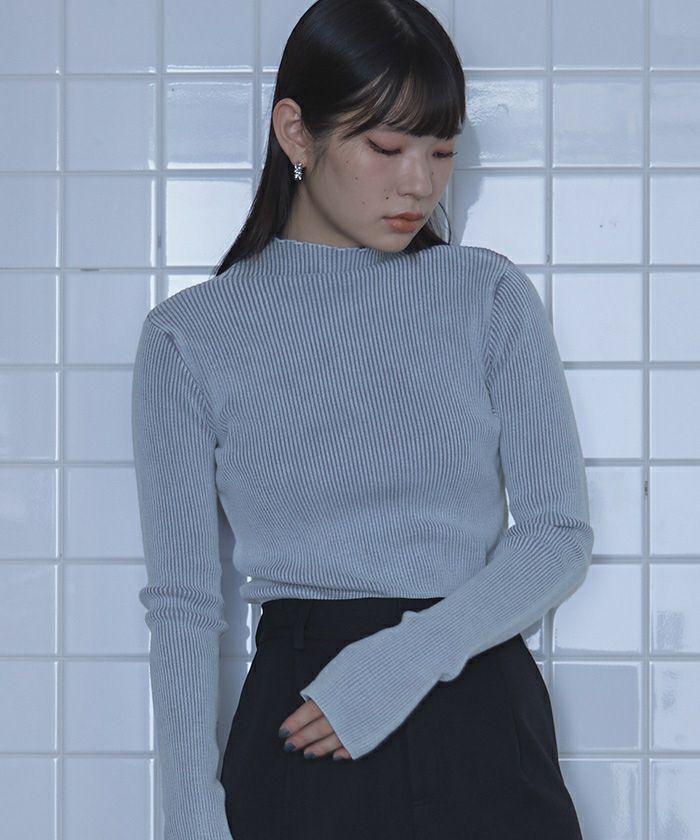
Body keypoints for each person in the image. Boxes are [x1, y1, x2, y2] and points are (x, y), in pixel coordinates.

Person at [131, 0, 594, 838]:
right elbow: (184, 603)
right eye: (385, 147)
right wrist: (191, 817)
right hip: (302, 726)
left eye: (441, 150)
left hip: (476, 707)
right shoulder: (189, 337)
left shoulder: (488, 297)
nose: (419, 183)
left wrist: (402, 662)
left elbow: (555, 533)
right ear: (296, 133)